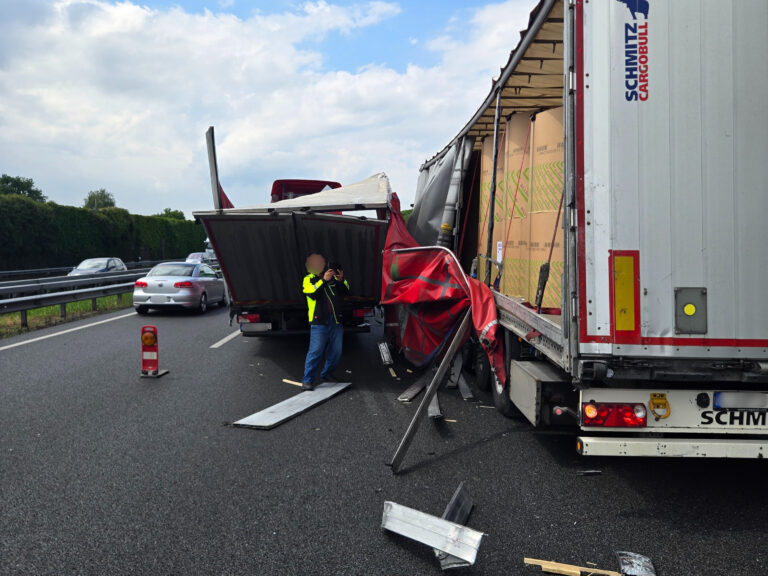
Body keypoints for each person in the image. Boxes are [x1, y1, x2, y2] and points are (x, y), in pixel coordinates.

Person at [301, 253, 350, 390]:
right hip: (319, 323)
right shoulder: (309, 279)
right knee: (315, 351)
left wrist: (341, 280)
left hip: (335, 321)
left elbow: (346, 292)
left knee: (336, 351)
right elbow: (312, 293)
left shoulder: (334, 280)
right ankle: (307, 380)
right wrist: (323, 280)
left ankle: (327, 374)